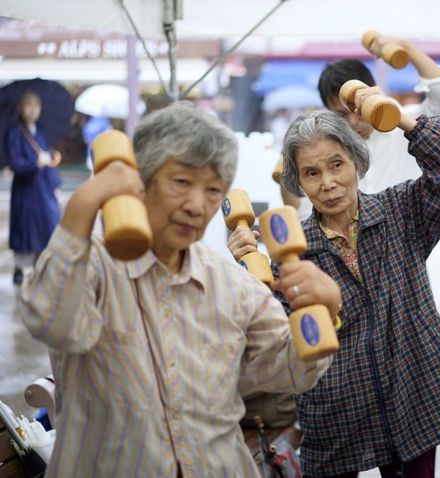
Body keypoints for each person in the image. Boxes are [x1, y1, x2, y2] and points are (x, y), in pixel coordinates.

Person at [19, 102, 341, 478]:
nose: (196, 206)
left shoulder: (231, 284)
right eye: (182, 183)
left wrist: (326, 310)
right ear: (140, 181)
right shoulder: (90, 264)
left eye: (213, 190)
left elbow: (290, 372)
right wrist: (84, 204)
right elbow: (50, 321)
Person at [229, 100, 440, 477]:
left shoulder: (402, 211)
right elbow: (276, 340)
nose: (328, 183)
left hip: (413, 393)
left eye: (336, 164)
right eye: (311, 173)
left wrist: (402, 120)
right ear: (299, 183)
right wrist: (246, 275)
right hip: (338, 408)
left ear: (356, 162)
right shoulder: (292, 253)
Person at [317, 36, 440, 194]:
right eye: (342, 115)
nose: (352, 121)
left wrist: (406, 47)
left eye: (357, 109)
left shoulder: (412, 123)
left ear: (371, 90)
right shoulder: (333, 148)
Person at [5, 91, 62, 285]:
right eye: (28, 105)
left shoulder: (41, 132)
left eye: (35, 106)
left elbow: (47, 161)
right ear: (21, 108)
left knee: (46, 225)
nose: (32, 110)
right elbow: (15, 163)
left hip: (43, 189)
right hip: (25, 190)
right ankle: (19, 267)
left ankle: (41, 263)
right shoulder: (14, 132)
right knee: (24, 228)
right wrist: (34, 162)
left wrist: (55, 184)